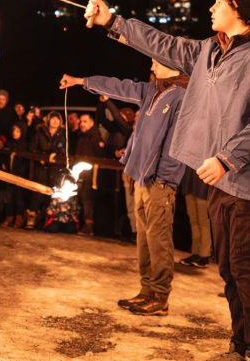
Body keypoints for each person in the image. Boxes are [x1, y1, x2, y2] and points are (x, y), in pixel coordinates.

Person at [85, 0, 250, 361]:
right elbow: (162, 44)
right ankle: (240, 345)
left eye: (219, 2)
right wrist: (112, 21)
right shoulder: (209, 52)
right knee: (230, 270)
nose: (211, 9)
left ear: (237, 8)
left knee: (248, 272)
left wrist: (226, 158)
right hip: (222, 183)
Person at [60, 58, 187, 316]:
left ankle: (160, 297)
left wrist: (163, 177)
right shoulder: (151, 90)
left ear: (173, 65)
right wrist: (81, 81)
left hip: (160, 181)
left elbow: (178, 144)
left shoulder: (182, 97)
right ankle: (146, 290)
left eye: (156, 63)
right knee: (144, 238)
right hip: (141, 177)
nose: (152, 68)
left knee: (158, 239)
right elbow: (118, 87)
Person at [74, 113, 106, 236]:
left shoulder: (95, 137)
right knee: (81, 198)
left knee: (88, 199)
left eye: (85, 121)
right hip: (80, 173)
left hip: (92, 175)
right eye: (81, 121)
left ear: (91, 122)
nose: (82, 124)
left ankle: (89, 226)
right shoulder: (81, 136)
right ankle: (80, 223)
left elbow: (100, 155)